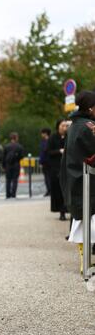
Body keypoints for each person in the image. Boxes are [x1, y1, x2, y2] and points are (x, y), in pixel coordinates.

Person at [60, 91, 95, 273]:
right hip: (90, 179)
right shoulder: (90, 127)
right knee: (91, 220)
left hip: (74, 178)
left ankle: (85, 260)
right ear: (90, 108)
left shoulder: (73, 126)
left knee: (81, 220)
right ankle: (88, 261)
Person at [47, 119, 68, 221]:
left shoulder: (69, 136)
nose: (64, 128)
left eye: (66, 126)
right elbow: (48, 151)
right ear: (58, 126)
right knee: (58, 190)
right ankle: (61, 211)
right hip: (56, 168)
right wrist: (59, 151)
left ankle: (67, 209)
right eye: (62, 126)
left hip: (67, 167)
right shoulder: (52, 138)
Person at [2, 133, 25, 199]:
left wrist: (4, 166)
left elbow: (4, 157)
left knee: (8, 180)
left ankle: (8, 194)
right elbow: (22, 156)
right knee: (15, 180)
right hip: (16, 164)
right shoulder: (19, 146)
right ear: (16, 138)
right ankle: (13, 194)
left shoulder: (6, 146)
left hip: (8, 165)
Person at [39, 128, 51, 196]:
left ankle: (49, 190)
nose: (41, 135)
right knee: (47, 177)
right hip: (47, 161)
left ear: (45, 133)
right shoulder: (46, 141)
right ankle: (49, 190)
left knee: (47, 177)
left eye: (42, 133)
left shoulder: (45, 142)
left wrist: (41, 161)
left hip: (46, 162)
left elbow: (43, 152)